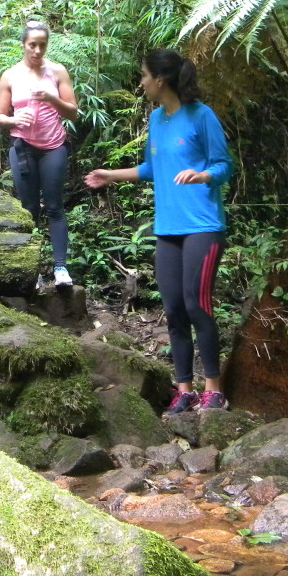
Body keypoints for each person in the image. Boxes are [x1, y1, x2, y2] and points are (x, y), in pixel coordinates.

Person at [85, 49, 233, 415]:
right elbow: (153, 168)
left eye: (144, 76)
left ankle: (213, 389)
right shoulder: (156, 119)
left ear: (161, 80)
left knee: (198, 305)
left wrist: (203, 175)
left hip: (202, 225)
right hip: (168, 228)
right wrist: (111, 175)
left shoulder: (202, 115)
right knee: (174, 309)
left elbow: (224, 165)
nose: (141, 82)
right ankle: (184, 390)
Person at [0, 20, 78, 287]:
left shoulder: (57, 72)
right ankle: (32, 271)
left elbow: (73, 112)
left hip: (53, 146)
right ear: (24, 45)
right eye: (33, 45)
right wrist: (14, 120)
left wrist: (51, 99)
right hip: (23, 147)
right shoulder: (10, 75)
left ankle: (60, 268)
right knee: (29, 208)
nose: (38, 50)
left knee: (54, 206)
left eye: (42, 45)